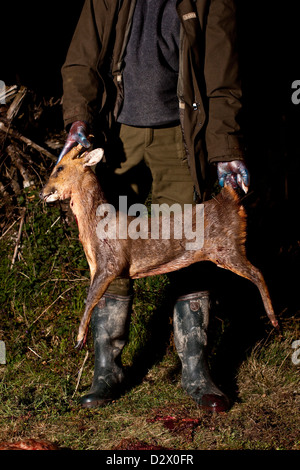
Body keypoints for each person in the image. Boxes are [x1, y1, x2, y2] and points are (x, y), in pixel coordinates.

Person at [58, 0, 249, 412]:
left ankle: (197, 373)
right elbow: (80, 62)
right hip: (117, 138)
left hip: (180, 139)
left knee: (190, 249)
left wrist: (225, 149)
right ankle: (107, 370)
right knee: (111, 251)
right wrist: (79, 119)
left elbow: (223, 82)